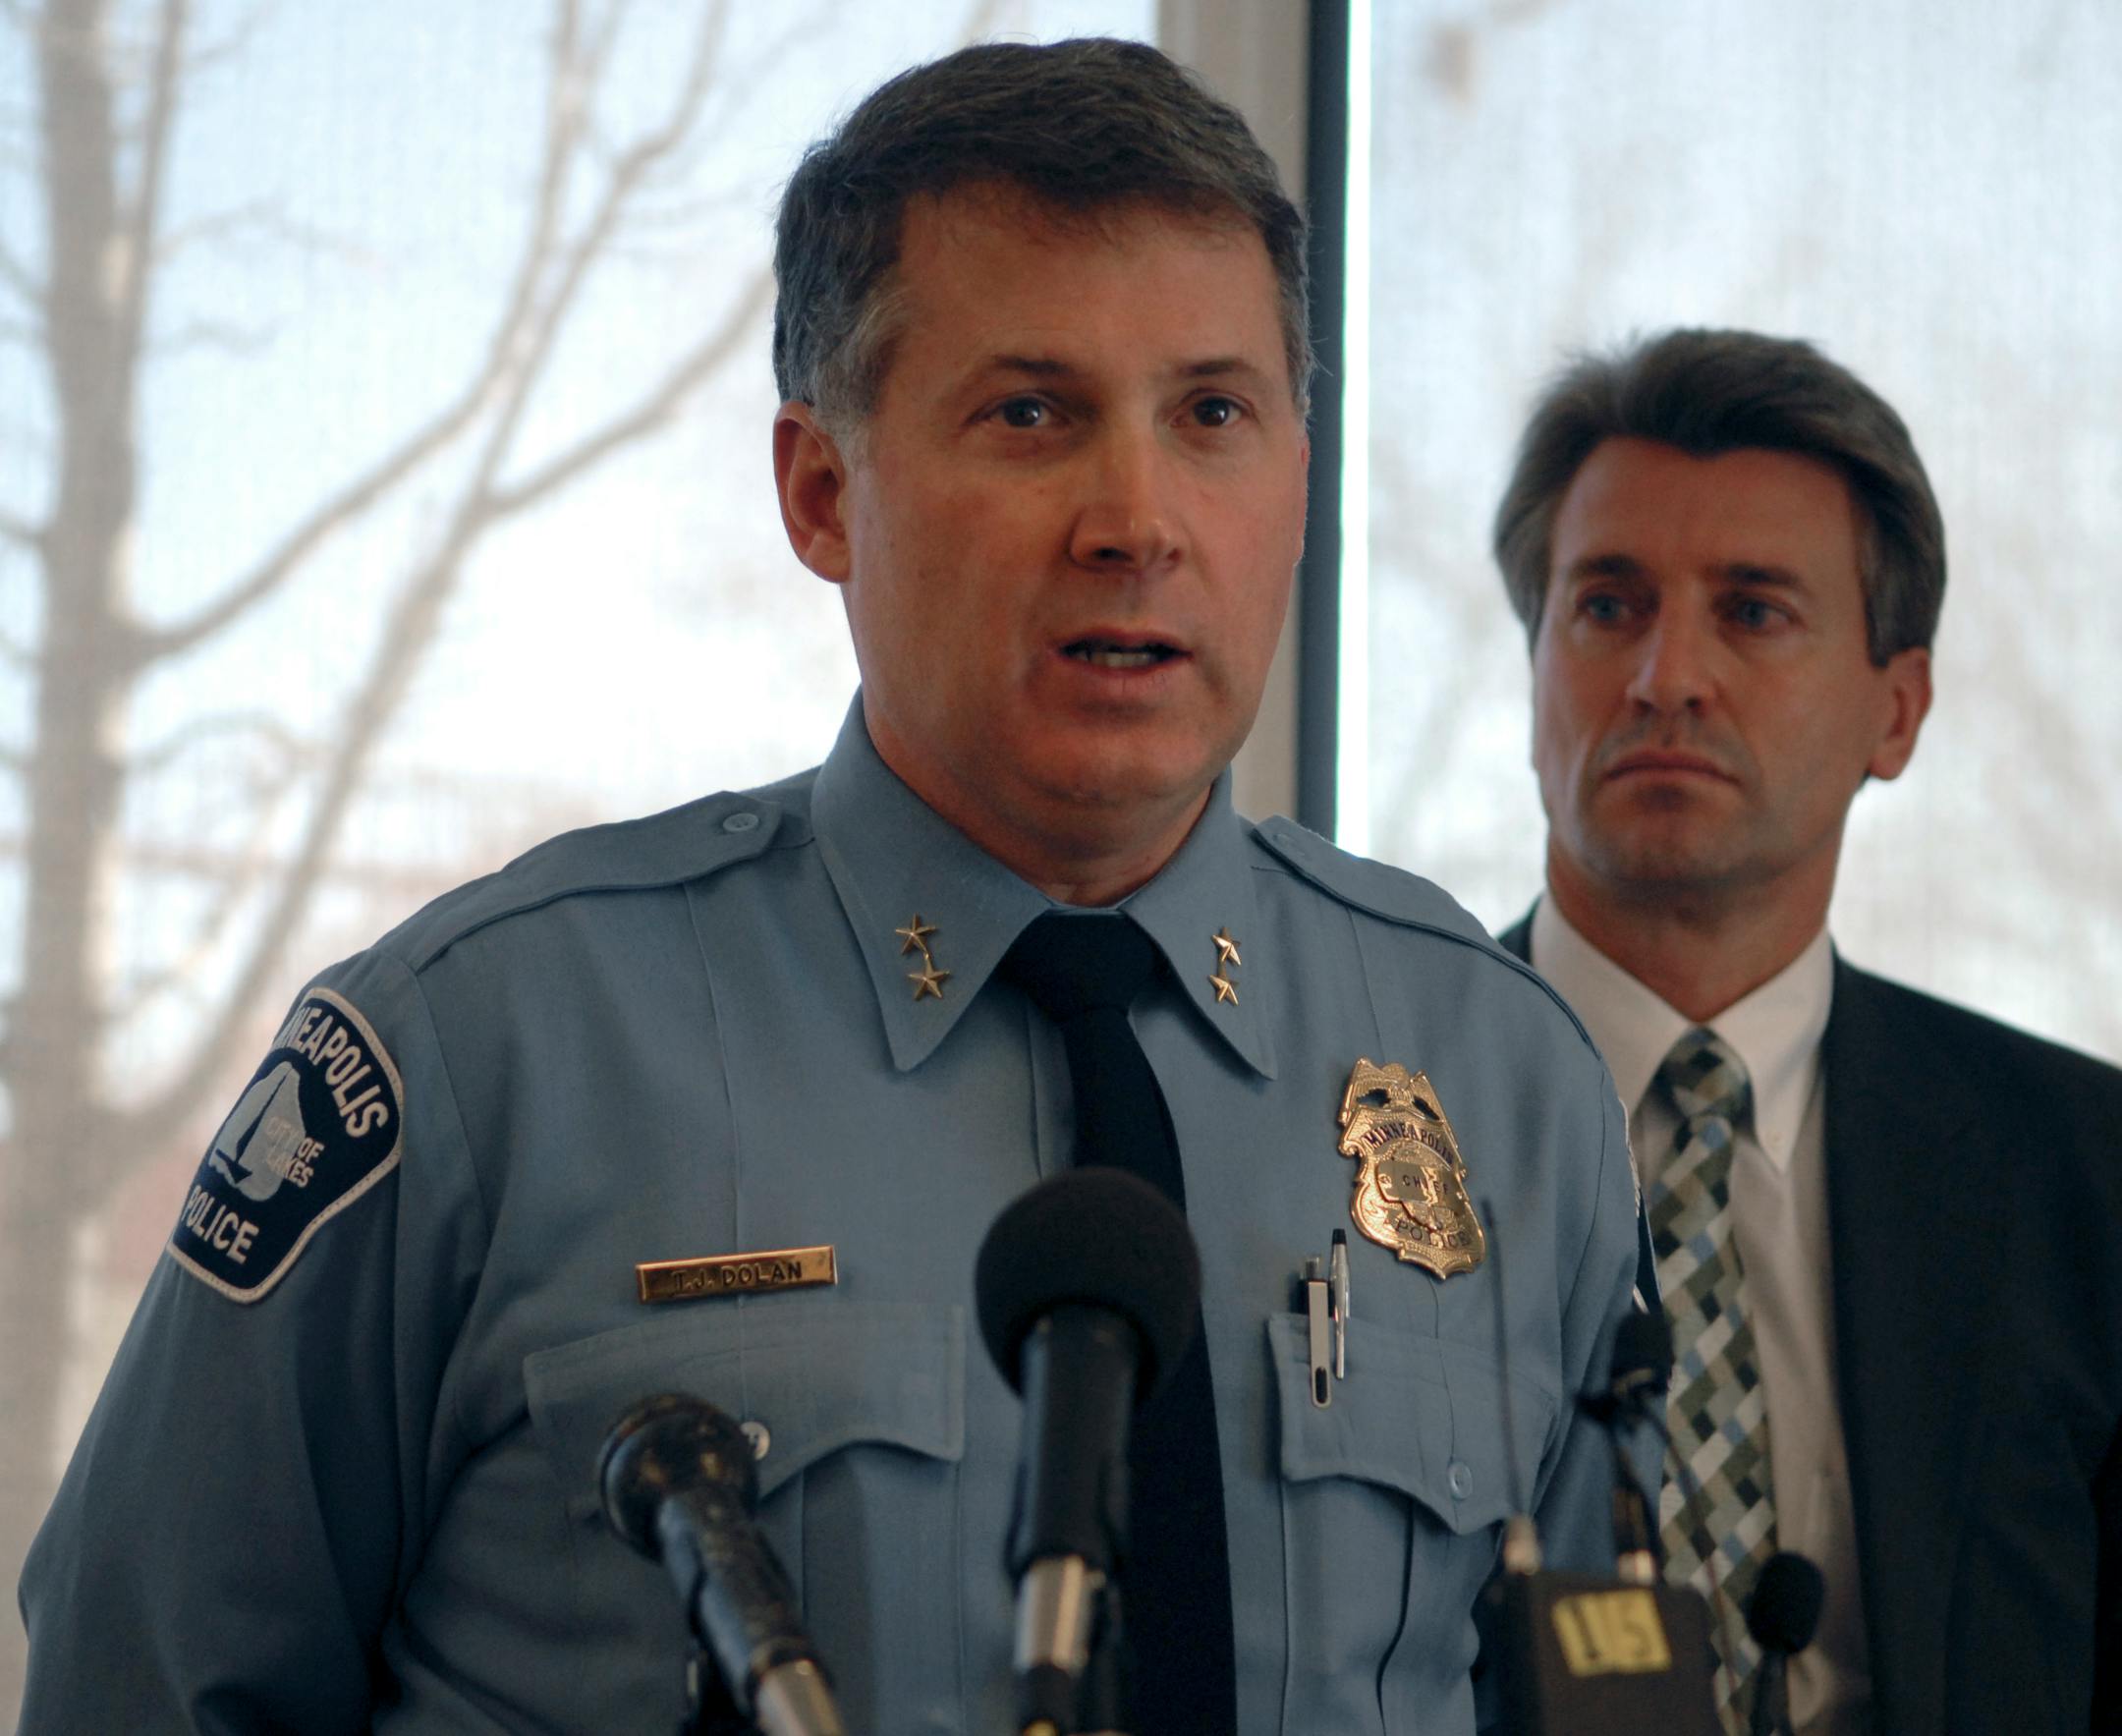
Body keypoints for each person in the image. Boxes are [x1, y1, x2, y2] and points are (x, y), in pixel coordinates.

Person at [19, 39, 1645, 1734]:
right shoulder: (483, 1058)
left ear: (1299, 479)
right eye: (1033, 414)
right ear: (819, 491)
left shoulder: (1499, 1076)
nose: (1137, 517)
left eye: (1213, 415)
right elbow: (135, 1687)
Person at [1487, 327, 2122, 1734]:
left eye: (1754, 610)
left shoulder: (2086, 1176)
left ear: (1896, 712)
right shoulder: (1353, 1109)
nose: (1667, 676)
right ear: (1531, 672)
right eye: (1608, 605)